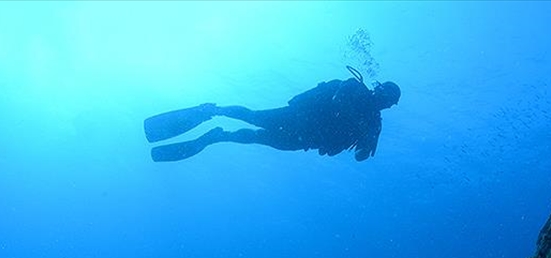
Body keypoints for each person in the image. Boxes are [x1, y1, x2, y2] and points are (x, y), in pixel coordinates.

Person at [145, 68, 401, 163]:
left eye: (389, 101)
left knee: (256, 137)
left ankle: (218, 136)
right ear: (378, 88)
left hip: (306, 140)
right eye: (385, 95)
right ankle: (213, 110)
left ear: (390, 105)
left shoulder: (374, 125)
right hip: (299, 118)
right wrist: (363, 126)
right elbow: (338, 101)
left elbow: (360, 157)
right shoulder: (354, 87)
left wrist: (369, 140)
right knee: (254, 116)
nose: (384, 102)